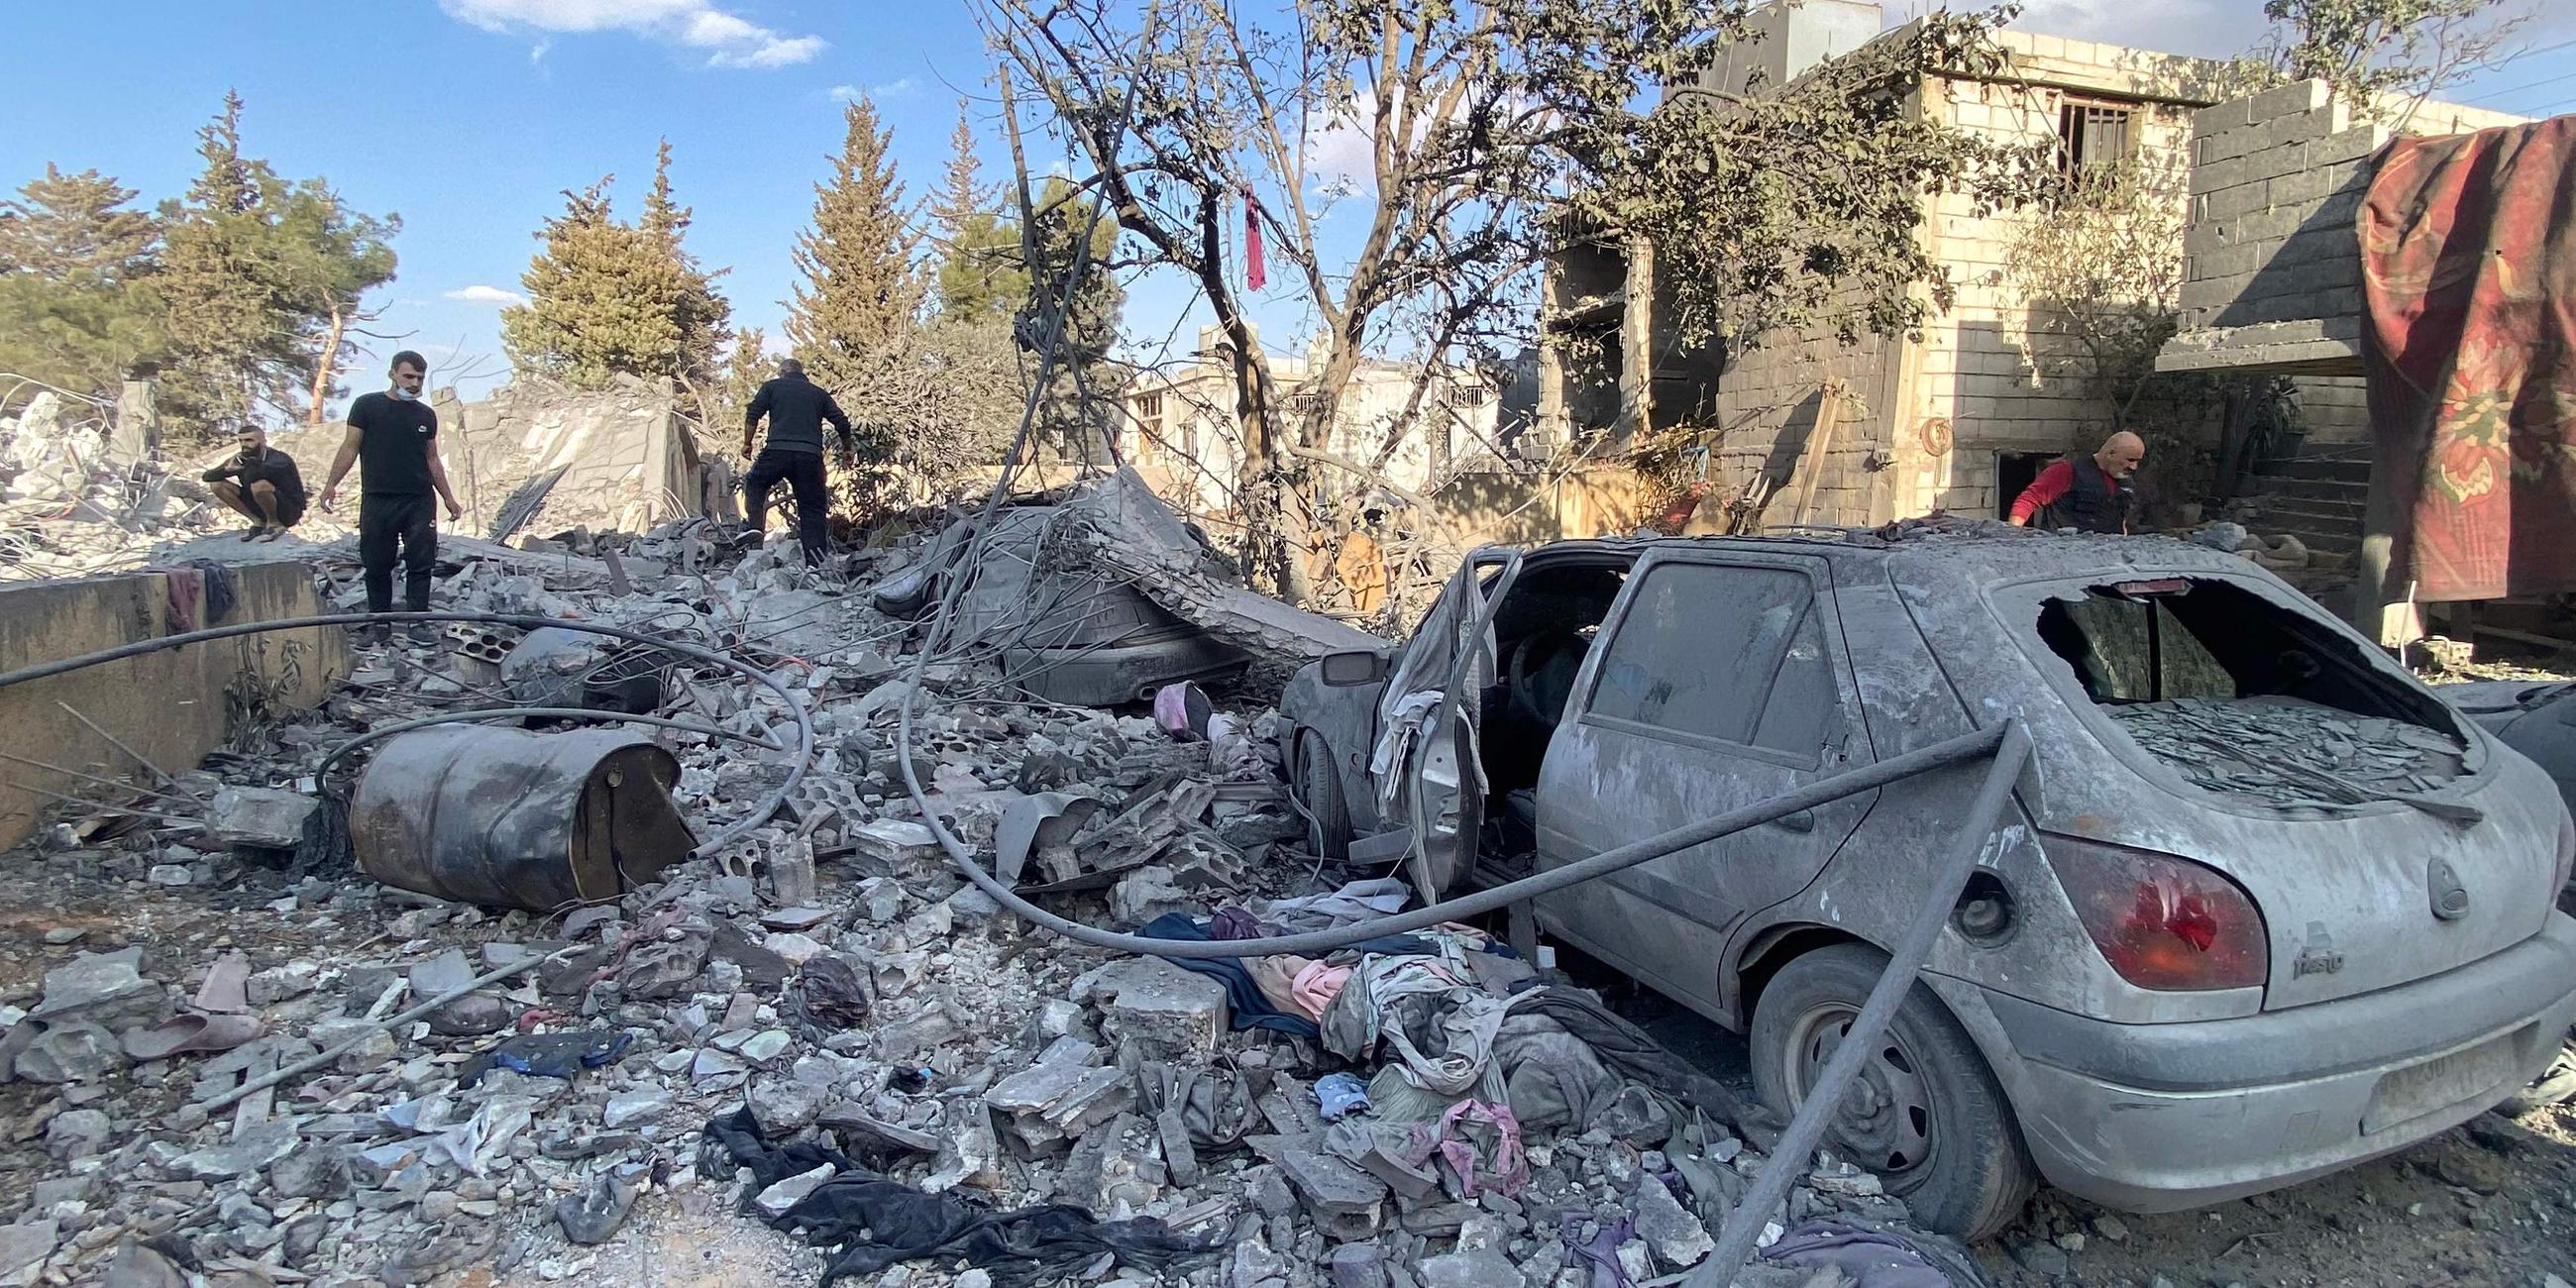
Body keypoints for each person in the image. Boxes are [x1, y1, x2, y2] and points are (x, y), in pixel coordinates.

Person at [317, 351, 464, 641]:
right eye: (408, 376)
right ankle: (380, 625)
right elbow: (350, 447)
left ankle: (417, 623)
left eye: (419, 378)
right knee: (377, 563)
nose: (414, 383)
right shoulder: (367, 406)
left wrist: (448, 497)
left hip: (419, 500)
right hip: (378, 499)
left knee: (421, 563)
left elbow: (432, 459)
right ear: (393, 374)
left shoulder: (425, 415)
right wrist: (331, 484)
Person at [741, 358, 857, 567]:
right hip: (809, 457)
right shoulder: (818, 393)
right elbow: (841, 421)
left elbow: (753, 413)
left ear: (782, 372)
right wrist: (847, 448)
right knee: (812, 508)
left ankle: (755, 528)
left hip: (777, 451)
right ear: (802, 373)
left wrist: (747, 443)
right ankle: (815, 564)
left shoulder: (772, 387)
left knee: (756, 483)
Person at [2007, 430, 2145, 534]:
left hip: (2108, 557)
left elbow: (2122, 521)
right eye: (2130, 460)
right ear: (2111, 453)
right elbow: (2028, 500)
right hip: (2064, 553)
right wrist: (2012, 536)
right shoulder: (2067, 471)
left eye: (2137, 461)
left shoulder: (2126, 483)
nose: (2134, 467)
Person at [201, 423, 308, 542]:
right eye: (240, 441)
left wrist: (238, 468)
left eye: (249, 440)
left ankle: (274, 524)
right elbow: (207, 477)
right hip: (258, 506)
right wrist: (226, 470)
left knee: (259, 485)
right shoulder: (240, 459)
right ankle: (258, 522)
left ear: (263, 442)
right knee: (217, 485)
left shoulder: (279, 459)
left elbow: (255, 475)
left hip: (288, 509)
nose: (244, 445)